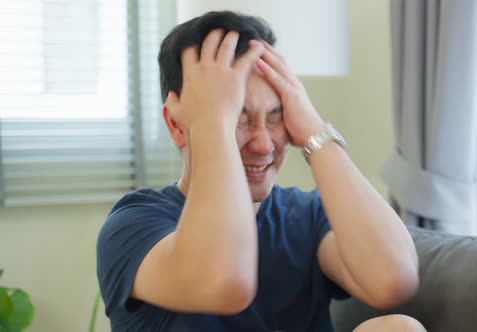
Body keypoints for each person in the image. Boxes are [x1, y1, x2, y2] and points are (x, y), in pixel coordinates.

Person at [97, 10, 425, 332]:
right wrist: (214, 124)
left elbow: (393, 280)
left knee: (398, 328)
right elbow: (226, 283)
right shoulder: (133, 225)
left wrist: (313, 128)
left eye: (276, 115)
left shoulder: (307, 215)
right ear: (176, 125)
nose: (264, 145)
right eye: (237, 117)